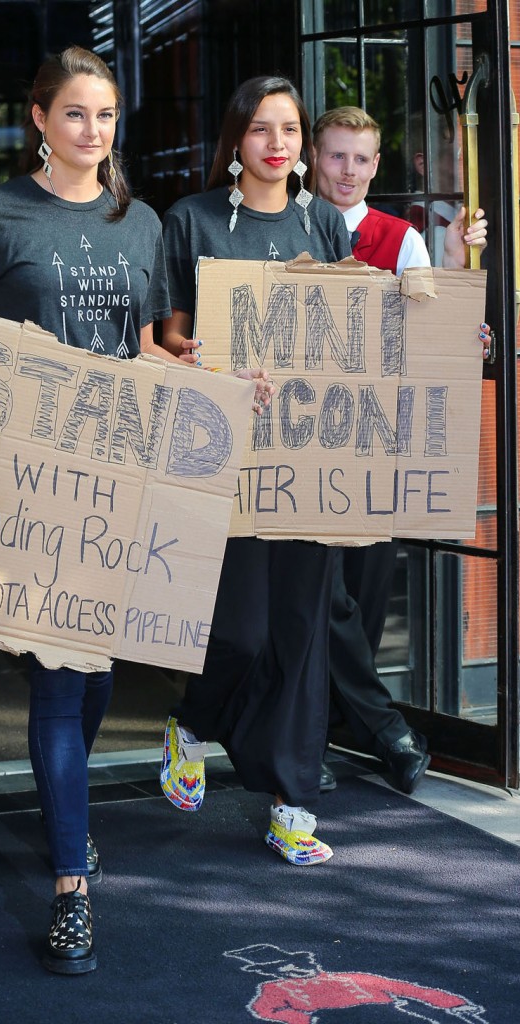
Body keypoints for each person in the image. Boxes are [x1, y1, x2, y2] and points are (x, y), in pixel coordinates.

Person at [0, 45, 272, 976]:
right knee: (58, 682)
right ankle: (72, 888)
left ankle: (66, 834)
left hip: (118, 479)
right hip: (30, 485)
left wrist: (222, 389)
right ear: (39, 118)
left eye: (106, 116)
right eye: (76, 114)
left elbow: (150, 349)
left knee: (97, 671)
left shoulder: (138, 221)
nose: (93, 132)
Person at [157, 75, 352, 867]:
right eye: (261, 129)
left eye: (290, 129)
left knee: (302, 636)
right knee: (238, 633)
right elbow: (169, 337)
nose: (278, 143)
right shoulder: (191, 220)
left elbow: (357, 331)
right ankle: (192, 720)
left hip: (308, 461)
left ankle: (290, 803)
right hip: (222, 458)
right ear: (234, 139)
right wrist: (195, 358)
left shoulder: (326, 222)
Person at [312, 105, 489, 793]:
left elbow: (429, 331)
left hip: (375, 443)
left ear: (376, 165)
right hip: (301, 448)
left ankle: (335, 729)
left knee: (362, 594)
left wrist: (453, 297)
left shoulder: (401, 239)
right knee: (318, 597)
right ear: (314, 161)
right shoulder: (285, 228)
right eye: (335, 157)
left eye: (360, 159)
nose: (348, 171)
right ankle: (383, 730)